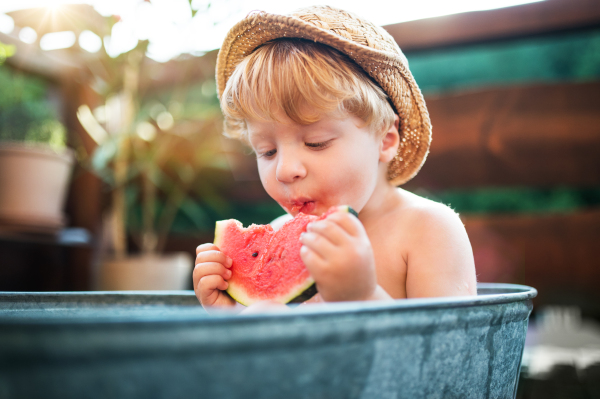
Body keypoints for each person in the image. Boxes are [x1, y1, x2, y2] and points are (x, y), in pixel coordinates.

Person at [193, 6, 477, 313]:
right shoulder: (280, 233)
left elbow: (452, 353)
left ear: (385, 140)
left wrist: (363, 295)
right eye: (267, 151)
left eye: (316, 143)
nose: (285, 171)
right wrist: (230, 314)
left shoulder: (428, 230)